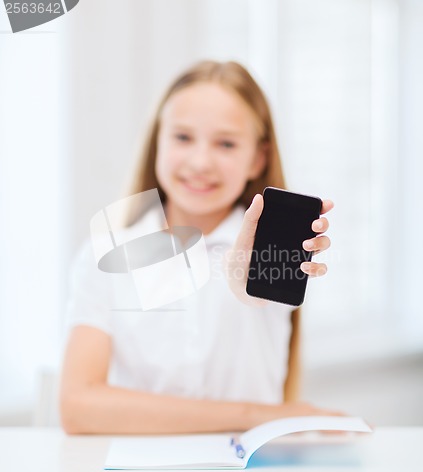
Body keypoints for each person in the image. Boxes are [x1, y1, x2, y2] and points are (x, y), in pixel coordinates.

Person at [60, 60, 341, 435]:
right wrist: (259, 417)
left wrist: (249, 275)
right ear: (158, 140)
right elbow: (79, 407)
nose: (200, 161)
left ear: (258, 158)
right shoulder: (104, 255)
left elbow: (253, 295)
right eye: (183, 138)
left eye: (226, 143)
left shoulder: (277, 248)